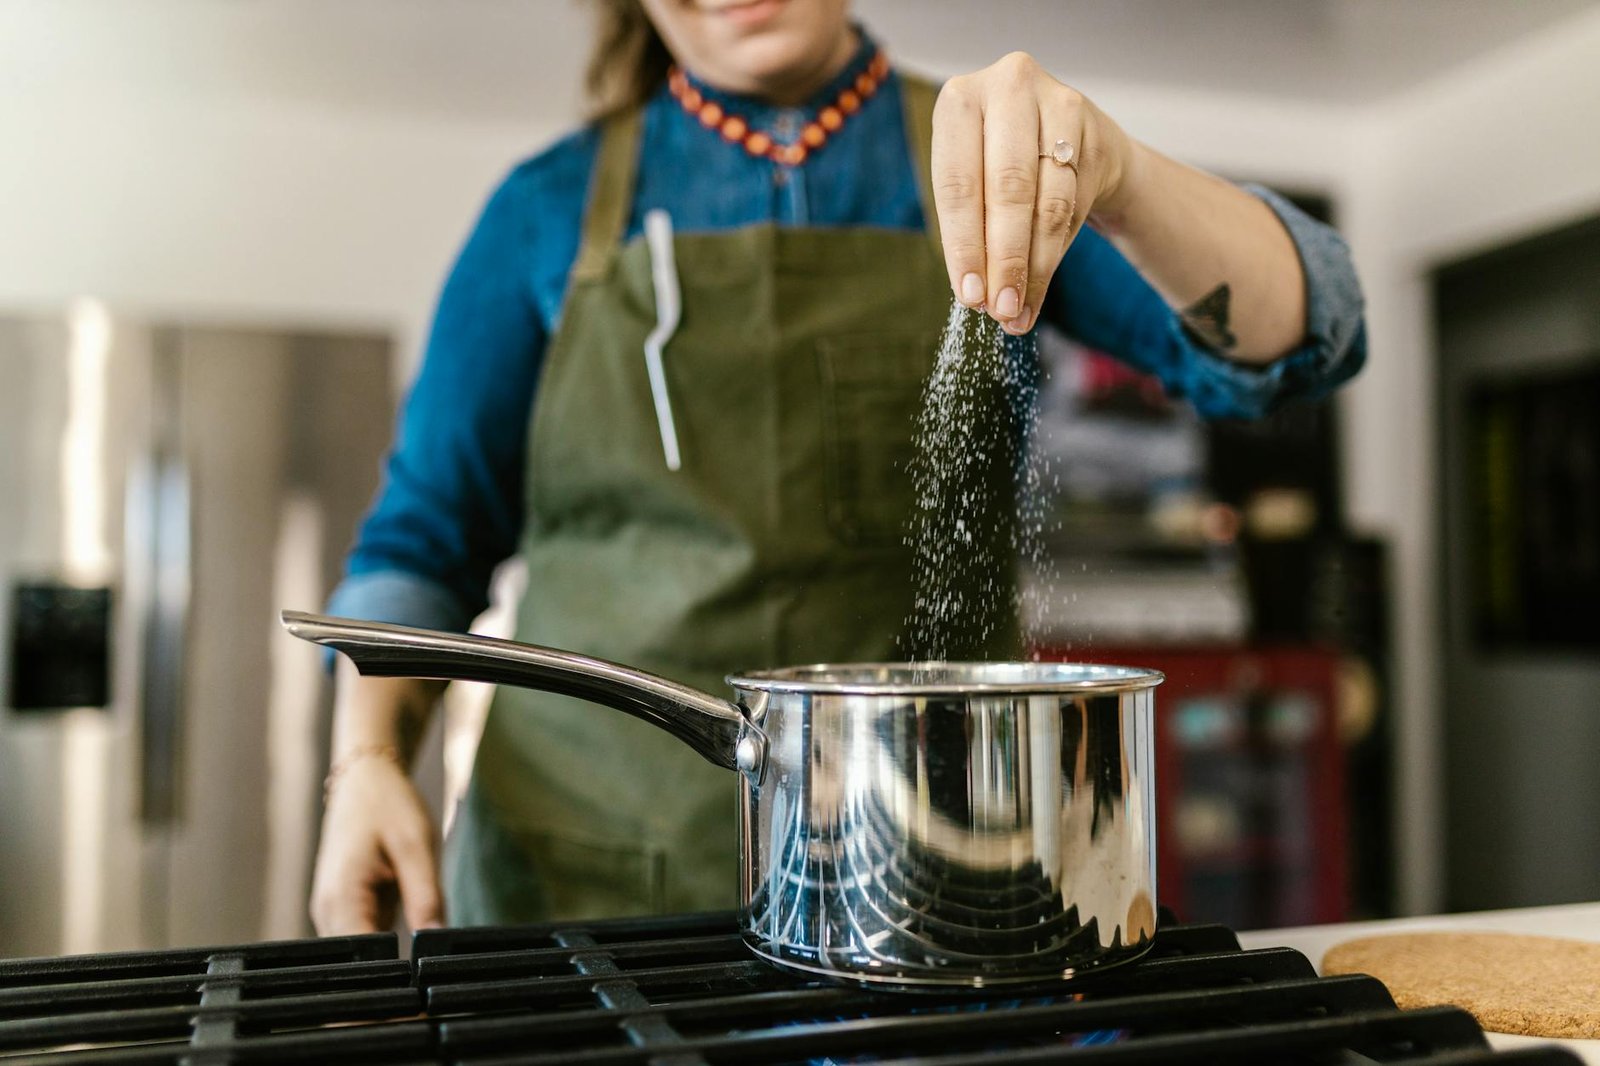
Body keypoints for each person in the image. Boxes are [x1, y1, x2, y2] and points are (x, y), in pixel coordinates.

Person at [310, 0, 1366, 935]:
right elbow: (421, 543)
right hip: (582, 882)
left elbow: (1301, 341)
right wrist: (366, 761)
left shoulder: (995, 165)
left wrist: (1121, 173)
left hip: (923, 877)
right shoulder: (543, 210)